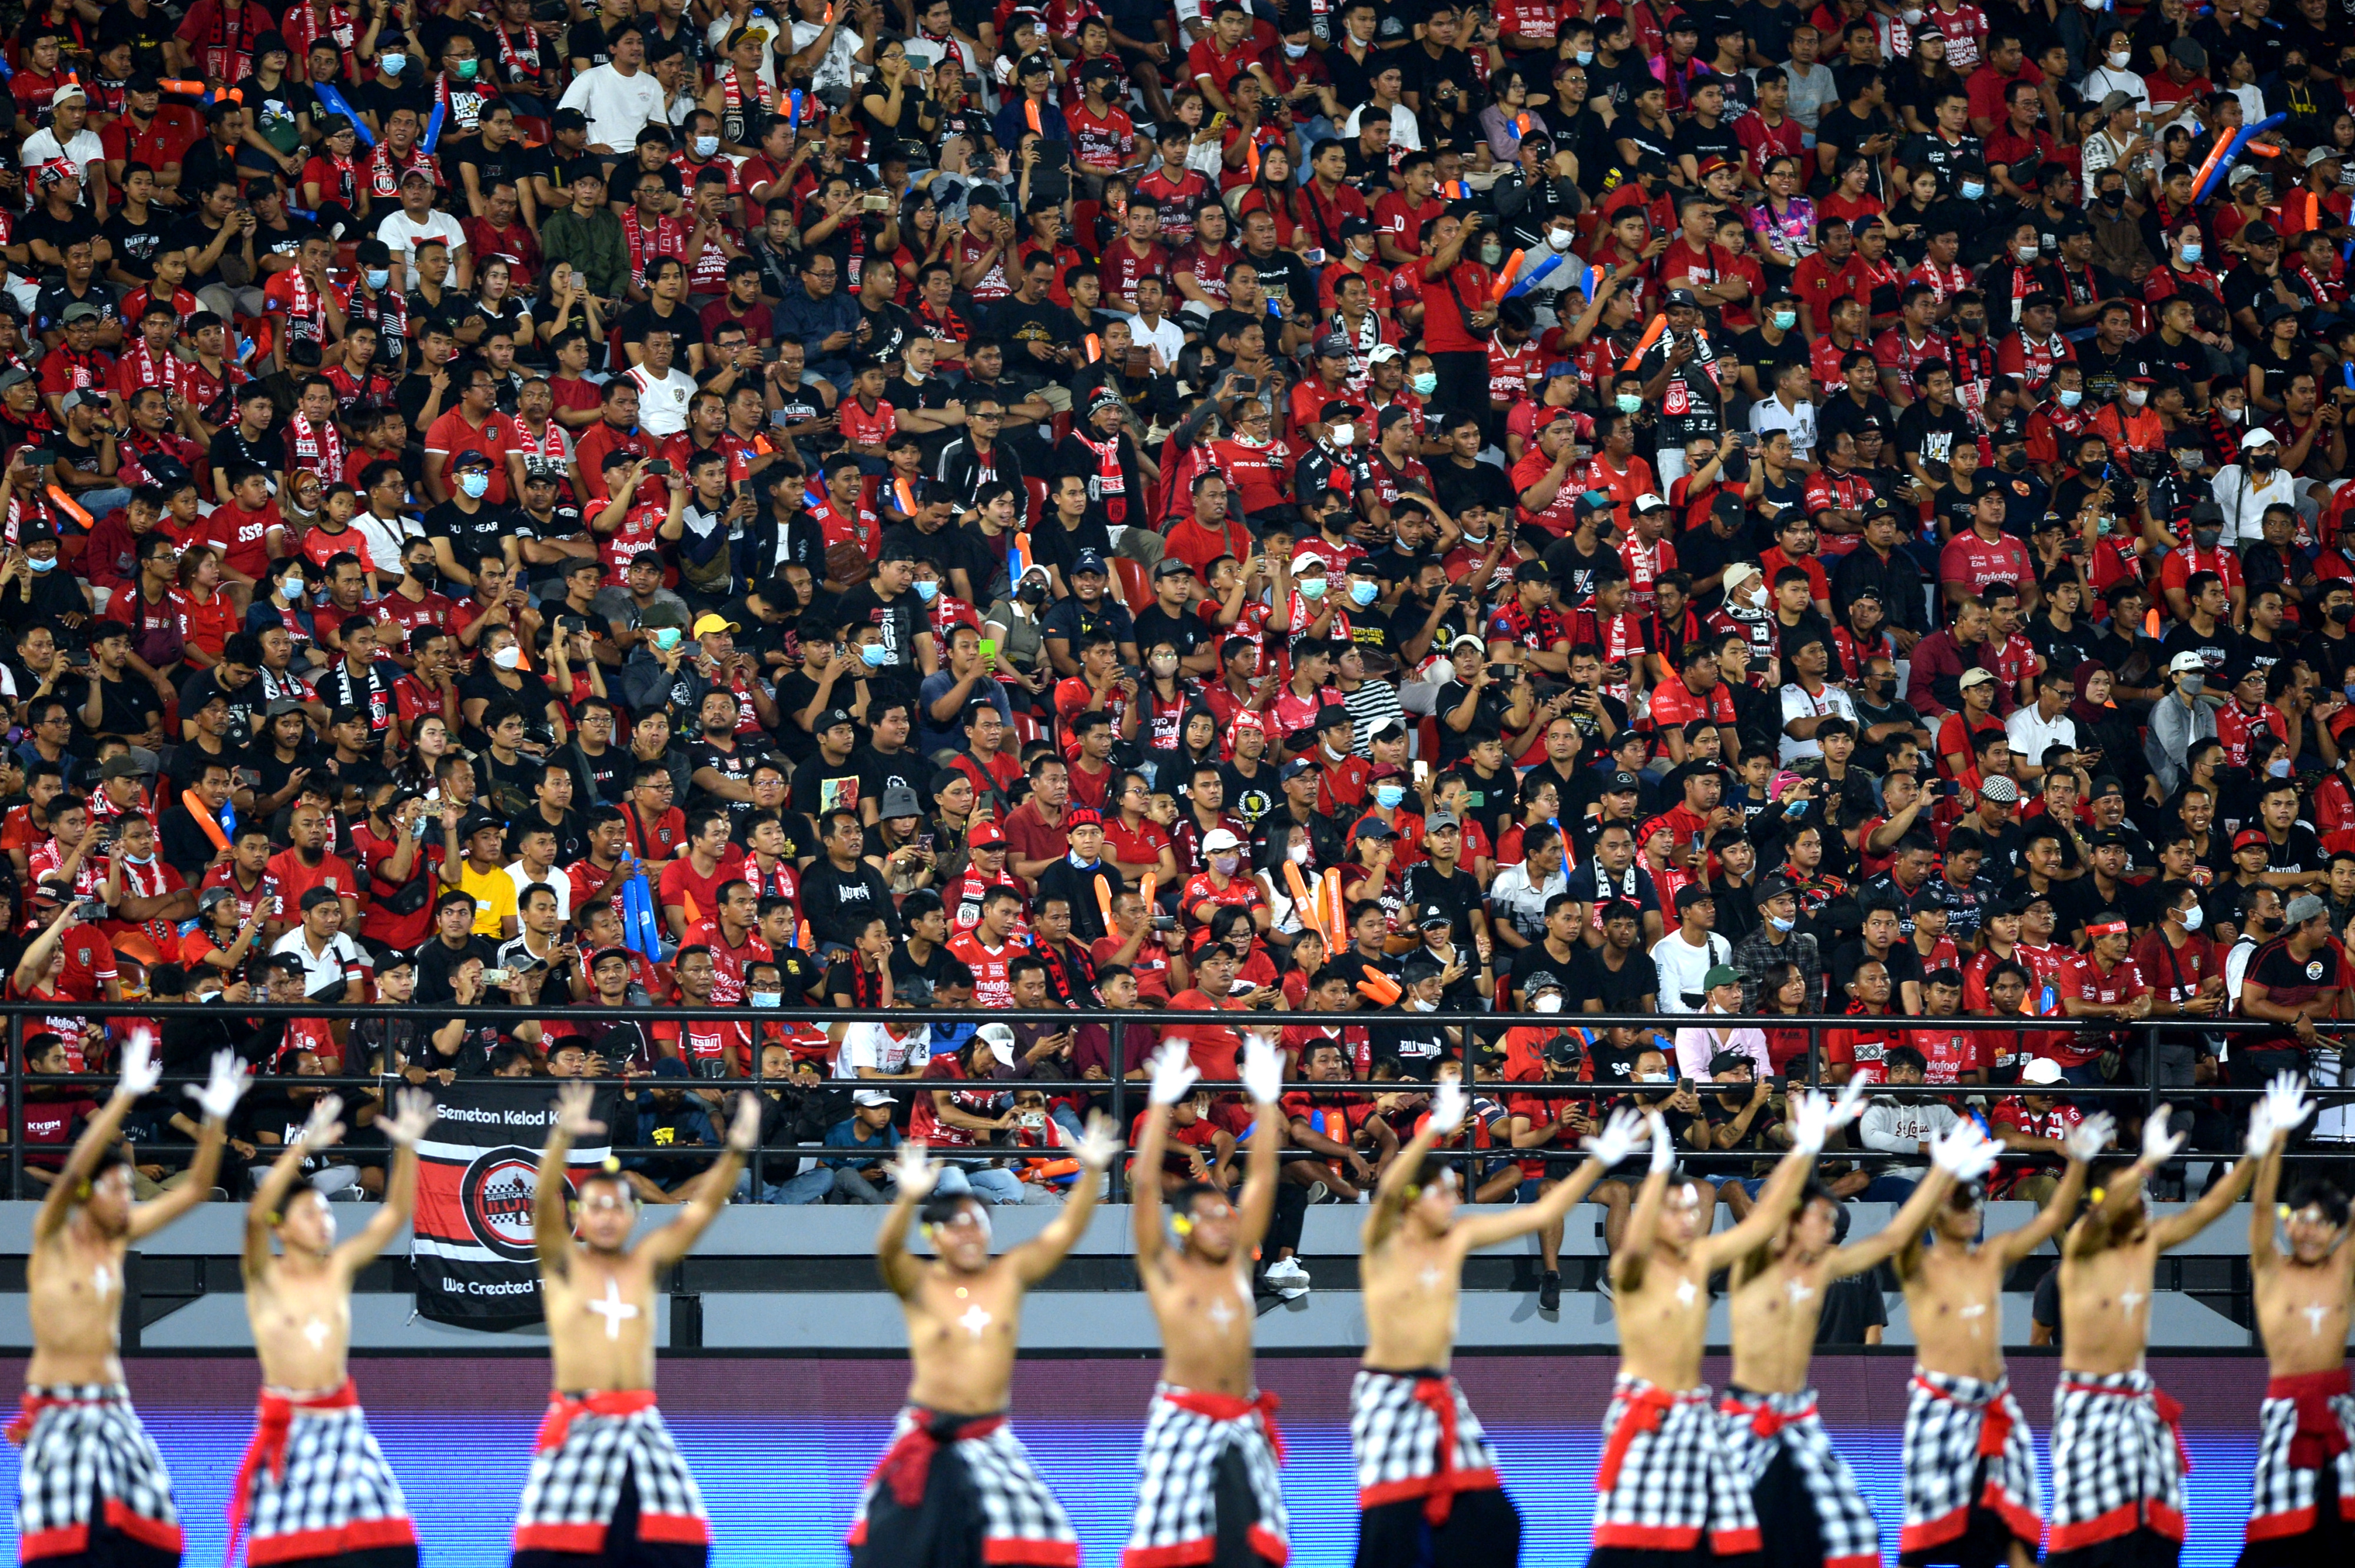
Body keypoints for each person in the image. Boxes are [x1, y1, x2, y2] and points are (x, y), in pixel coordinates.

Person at [1352, 1087, 1645, 1567]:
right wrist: (1432, 1130)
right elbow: (1388, 1191)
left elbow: (1544, 1212)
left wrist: (1598, 1162)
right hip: (1389, 1392)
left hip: (1442, 1392)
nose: (1453, 1199)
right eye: (1442, 1191)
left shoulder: (1457, 1236)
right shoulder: (1384, 1240)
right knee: (1392, 1531)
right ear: (1413, 1199)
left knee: (1494, 1521)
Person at [1590, 1085, 1856, 1561]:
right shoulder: (1632, 1267)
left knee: (1730, 1539)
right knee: (1630, 1545)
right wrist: (1656, 1169)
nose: (1690, 1219)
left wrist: (1806, 1147)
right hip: (1644, 1411)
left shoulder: (1700, 1259)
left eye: (1693, 1210)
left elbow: (1764, 1220)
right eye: (1678, 1210)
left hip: (1695, 1412)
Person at [12, 1035, 248, 1564]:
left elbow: (193, 1190)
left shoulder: (117, 1237)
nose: (127, 1197)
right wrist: (124, 1094)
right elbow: (75, 1169)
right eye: (116, 1188)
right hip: (59, 1409)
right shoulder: (52, 1236)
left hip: (115, 1410)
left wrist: (215, 1116)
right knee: (63, 1547)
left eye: (129, 1188)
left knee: (155, 1541)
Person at [848, 1113, 1121, 1566]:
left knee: (1043, 1545)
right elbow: (888, 1250)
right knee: (887, 1546)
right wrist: (909, 1198)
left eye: (977, 1222)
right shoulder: (921, 1282)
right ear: (935, 1237)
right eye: (956, 1225)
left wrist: (1092, 1170)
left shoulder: (1008, 1275)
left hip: (993, 1434)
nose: (969, 1232)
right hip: (925, 1431)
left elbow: (1066, 1229)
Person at [1721, 1122, 1999, 1568]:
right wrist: (1805, 1149)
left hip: (1798, 1414)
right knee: (1726, 1532)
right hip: (1748, 1414)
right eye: (1820, 1217)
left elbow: (1891, 1238)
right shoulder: (1754, 1264)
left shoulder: (1825, 1268)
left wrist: (1941, 1173)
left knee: (1853, 1528)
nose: (1830, 1225)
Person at [510, 1080, 756, 1567]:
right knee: (553, 1554)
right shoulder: (565, 1265)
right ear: (578, 1213)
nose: (606, 1217)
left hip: (641, 1419)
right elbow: (540, 1205)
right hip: (580, 1422)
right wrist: (562, 1138)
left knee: (680, 1546)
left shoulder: (644, 1263)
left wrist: (736, 1151)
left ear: (633, 1213)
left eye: (617, 1206)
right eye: (594, 1206)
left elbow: (703, 1209)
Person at [2047, 1104, 2274, 1566]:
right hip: (2087, 1402)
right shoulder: (2081, 1251)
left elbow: (2211, 1207)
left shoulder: (2145, 1245)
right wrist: (2144, 1162)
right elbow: (2102, 1210)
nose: (2141, 1198)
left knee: (2157, 1532)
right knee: (2085, 1538)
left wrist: (2254, 1153)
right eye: (2131, 1193)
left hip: (2140, 1401)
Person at [230, 1089, 436, 1567]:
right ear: (282, 1228)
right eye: (309, 1212)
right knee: (290, 1555)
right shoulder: (265, 1276)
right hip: (290, 1425)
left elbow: (397, 1213)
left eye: (326, 1210)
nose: (324, 1220)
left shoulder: (338, 1266)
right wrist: (303, 1147)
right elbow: (257, 1214)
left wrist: (407, 1146)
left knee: (394, 1549)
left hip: (344, 1423)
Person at [1897, 1108, 2112, 1567]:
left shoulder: (1991, 1257)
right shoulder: (1920, 1266)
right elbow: (1903, 1232)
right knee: (1923, 1538)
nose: (1973, 1211)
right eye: (1961, 1204)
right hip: (1941, 1406)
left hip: (1996, 1405)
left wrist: (2077, 1160)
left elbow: (2054, 1212)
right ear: (1939, 1213)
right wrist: (1942, 1172)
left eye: (1977, 1202)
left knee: (2015, 1533)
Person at [1123, 1039, 1288, 1566]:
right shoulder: (1166, 1267)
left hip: (1243, 1421)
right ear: (1184, 1226)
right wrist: (1157, 1104)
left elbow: (1261, 1179)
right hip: (1184, 1420)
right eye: (1212, 1216)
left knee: (1251, 1552)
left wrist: (1265, 1099)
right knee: (1172, 1553)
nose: (1225, 1223)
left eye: (1226, 1214)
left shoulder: (1239, 1263)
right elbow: (1144, 1182)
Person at [2241, 1075, 2349, 1562]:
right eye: (2300, 1219)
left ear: (2335, 1231)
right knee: (2275, 1540)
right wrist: (2278, 1138)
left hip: (2340, 1412)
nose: (2309, 1230)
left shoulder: (2343, 1267)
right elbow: (2261, 1206)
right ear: (2289, 1223)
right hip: (2286, 1412)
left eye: (2321, 1221)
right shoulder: (2269, 1268)